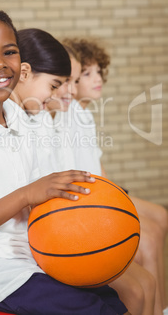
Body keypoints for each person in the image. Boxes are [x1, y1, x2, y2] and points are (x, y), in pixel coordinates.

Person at [0, 4, 129, 315]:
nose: (0, 65)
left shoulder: (20, 119)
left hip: (39, 254)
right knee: (93, 310)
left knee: (115, 300)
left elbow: (40, 195)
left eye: (9, 52)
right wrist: (26, 195)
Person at [14, 28, 156, 314]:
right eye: (62, 82)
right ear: (26, 74)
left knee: (145, 282)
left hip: (70, 215)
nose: (71, 90)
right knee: (134, 286)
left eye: (72, 81)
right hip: (51, 231)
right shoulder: (31, 120)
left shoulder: (48, 116)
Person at [60, 36, 168, 315]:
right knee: (151, 234)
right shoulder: (66, 113)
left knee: (160, 215)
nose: (97, 79)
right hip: (89, 198)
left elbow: (98, 168)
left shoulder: (83, 114)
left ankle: (161, 305)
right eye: (86, 74)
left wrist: (119, 196)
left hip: (101, 189)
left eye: (98, 72)